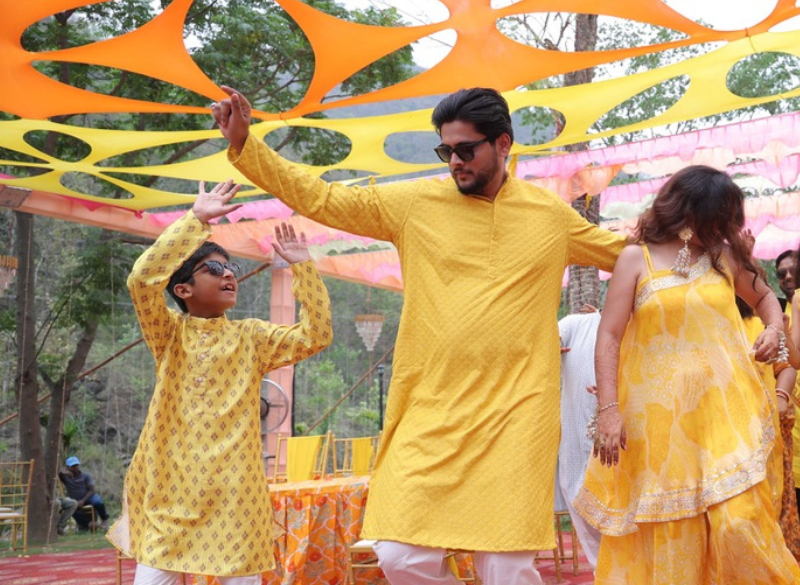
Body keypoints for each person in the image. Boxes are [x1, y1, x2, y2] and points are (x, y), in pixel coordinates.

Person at [213, 86, 627, 585]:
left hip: (518, 411)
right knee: (399, 553)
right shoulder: (414, 203)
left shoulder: (550, 217)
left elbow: (629, 257)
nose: (454, 162)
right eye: (445, 151)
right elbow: (325, 198)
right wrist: (245, 145)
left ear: (502, 145)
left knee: (506, 565)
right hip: (431, 407)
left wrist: (709, 250)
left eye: (465, 150)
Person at [574, 165, 800, 584]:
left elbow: (766, 297)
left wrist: (773, 330)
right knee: (673, 539)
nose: (723, 228)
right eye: (717, 217)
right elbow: (609, 335)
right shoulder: (634, 259)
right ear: (687, 210)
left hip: (727, 418)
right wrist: (608, 409)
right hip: (661, 429)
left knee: (740, 526)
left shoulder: (723, 256)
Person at [106, 180, 332, 585]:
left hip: (234, 497)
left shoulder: (252, 338)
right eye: (213, 268)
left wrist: (304, 268)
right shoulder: (169, 334)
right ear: (183, 289)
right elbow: (141, 282)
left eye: (232, 268)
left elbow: (315, 336)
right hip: (169, 493)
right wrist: (194, 220)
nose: (228, 274)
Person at [736, 295, 800, 560]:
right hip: (723, 441)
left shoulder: (761, 324)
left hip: (765, 439)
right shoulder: (698, 325)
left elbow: (788, 365)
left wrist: (781, 397)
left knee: (770, 516)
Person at [556, 304, 603, 568]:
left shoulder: (644, 328)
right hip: (575, 445)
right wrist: (547, 346)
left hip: (626, 447)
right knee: (581, 506)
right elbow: (548, 336)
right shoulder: (577, 324)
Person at [59, 456, 110, 531]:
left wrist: (83, 500)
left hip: (89, 496)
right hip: (75, 500)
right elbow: (57, 472)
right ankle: (88, 524)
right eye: (73, 466)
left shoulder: (86, 475)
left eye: (76, 465)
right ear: (68, 467)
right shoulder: (65, 477)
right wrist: (65, 472)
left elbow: (92, 490)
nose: (75, 467)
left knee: (98, 502)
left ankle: (104, 519)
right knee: (71, 507)